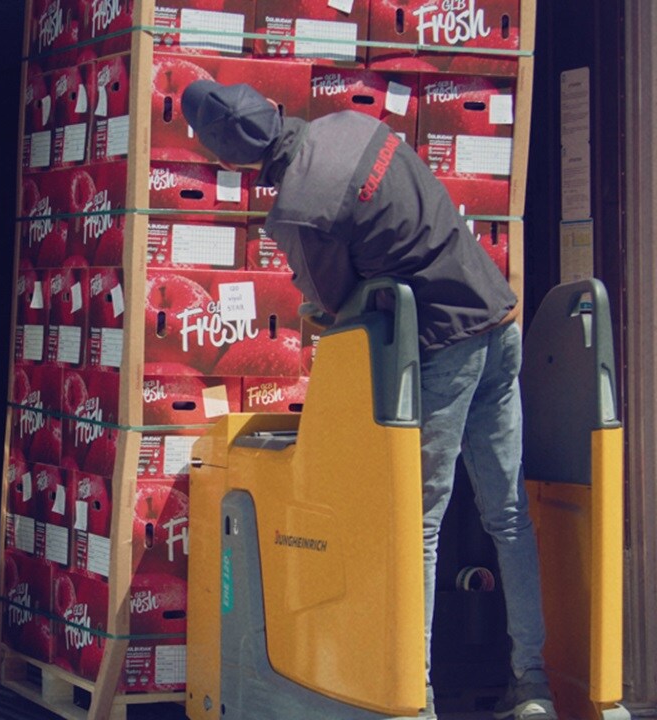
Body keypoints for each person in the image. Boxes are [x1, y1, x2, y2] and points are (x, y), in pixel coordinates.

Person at [180, 80, 556, 720]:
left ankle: (417, 696)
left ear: (231, 161)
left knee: (419, 529)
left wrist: (313, 311)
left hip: (444, 345)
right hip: (498, 318)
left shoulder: (300, 207)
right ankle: (534, 686)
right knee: (509, 514)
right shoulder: (355, 126)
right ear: (271, 109)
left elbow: (339, 309)